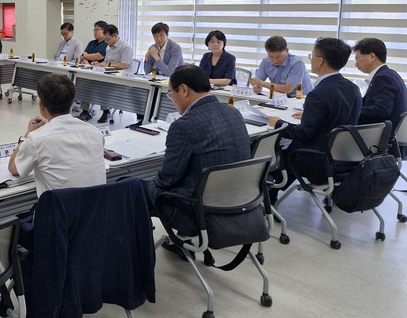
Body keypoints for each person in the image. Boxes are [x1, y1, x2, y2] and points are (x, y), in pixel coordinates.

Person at [145, 65, 251, 253]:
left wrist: (156, 180)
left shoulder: (184, 125)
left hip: (196, 212)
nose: (172, 99)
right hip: (238, 203)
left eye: (170, 93)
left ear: (183, 90)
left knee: (130, 186)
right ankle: (181, 242)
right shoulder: (233, 113)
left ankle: (139, 251)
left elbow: (167, 180)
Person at [267, 37, 362, 183]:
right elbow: (338, 117)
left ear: (320, 61)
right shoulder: (353, 88)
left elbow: (304, 134)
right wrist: (311, 115)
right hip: (344, 159)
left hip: (317, 163)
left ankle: (273, 187)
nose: (310, 60)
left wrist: (278, 123)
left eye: (311, 56)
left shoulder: (318, 94)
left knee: (278, 147)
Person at [9, 74, 105, 196]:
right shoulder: (95, 132)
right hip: (97, 206)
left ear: (42, 105)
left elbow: (14, 169)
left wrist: (27, 134)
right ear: (72, 101)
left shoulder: (36, 139)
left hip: (60, 208)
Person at [353, 37, 407, 157]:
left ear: (372, 56)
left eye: (357, 58)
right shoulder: (390, 75)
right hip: (393, 143)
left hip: (384, 144)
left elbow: (380, 111)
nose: (356, 64)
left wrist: (351, 112)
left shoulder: (383, 78)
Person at [79, 25, 134, 123]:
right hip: (108, 74)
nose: (106, 42)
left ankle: (106, 112)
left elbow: (125, 65)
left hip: (121, 77)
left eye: (108, 39)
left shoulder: (125, 48)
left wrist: (108, 64)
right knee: (86, 83)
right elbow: (106, 62)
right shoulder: (108, 47)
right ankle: (85, 111)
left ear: (115, 36)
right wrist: (98, 64)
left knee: (102, 85)